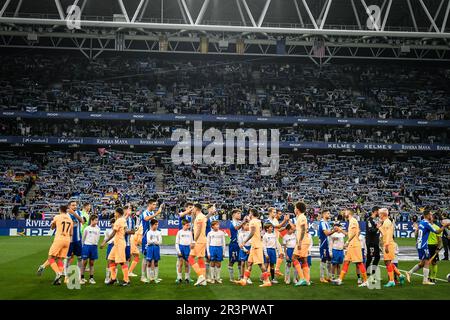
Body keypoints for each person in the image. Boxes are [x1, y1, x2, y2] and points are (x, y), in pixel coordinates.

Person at [405, 210, 449, 285]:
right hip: (423, 245)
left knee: (422, 263)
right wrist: (444, 226)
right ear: (427, 215)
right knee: (427, 262)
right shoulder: (427, 223)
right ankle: (425, 280)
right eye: (431, 215)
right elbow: (437, 231)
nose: (432, 216)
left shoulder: (421, 222)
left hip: (419, 244)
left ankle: (409, 273)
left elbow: (417, 233)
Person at [236, 209, 272, 287]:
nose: (249, 214)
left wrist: (244, 242)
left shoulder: (252, 221)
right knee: (249, 263)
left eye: (249, 213)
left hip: (256, 245)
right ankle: (244, 280)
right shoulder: (258, 221)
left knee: (260, 264)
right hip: (255, 244)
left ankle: (267, 281)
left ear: (251, 213)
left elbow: (252, 233)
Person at [332, 209, 368, 287]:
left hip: (354, 245)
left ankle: (365, 281)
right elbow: (350, 234)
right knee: (346, 261)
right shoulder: (351, 221)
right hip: (352, 245)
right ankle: (340, 279)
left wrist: (347, 242)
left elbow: (355, 233)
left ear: (349, 213)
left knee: (359, 262)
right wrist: (341, 230)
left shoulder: (353, 220)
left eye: (345, 211)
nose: (344, 212)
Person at [101, 207, 130, 286]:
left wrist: (104, 241)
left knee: (121, 262)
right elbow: (126, 229)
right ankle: (113, 278)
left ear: (118, 213)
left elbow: (113, 233)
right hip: (117, 243)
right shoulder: (123, 219)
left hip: (119, 243)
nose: (114, 213)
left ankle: (126, 280)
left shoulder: (118, 221)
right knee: (110, 259)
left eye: (115, 212)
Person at [45, 205, 73, 285]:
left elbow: (52, 227)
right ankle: (58, 280)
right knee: (60, 259)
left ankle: (58, 273)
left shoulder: (57, 217)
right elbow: (71, 233)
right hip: (67, 240)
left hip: (59, 239)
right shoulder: (70, 219)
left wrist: (53, 224)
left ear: (60, 210)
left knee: (50, 258)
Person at [377, 208, 405, 287]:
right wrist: (379, 227)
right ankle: (400, 275)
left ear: (383, 214)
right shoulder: (386, 222)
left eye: (380, 214)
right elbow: (385, 234)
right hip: (387, 243)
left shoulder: (387, 222)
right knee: (388, 262)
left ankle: (392, 280)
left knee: (388, 262)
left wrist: (386, 245)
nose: (379, 215)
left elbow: (388, 235)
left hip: (388, 244)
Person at [140, 199, 164, 283]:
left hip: (152, 236)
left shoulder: (151, 213)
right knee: (146, 258)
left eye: (155, 205)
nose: (155, 206)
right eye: (153, 204)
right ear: (149, 204)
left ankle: (152, 276)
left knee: (153, 258)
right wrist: (157, 213)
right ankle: (143, 276)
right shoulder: (145, 212)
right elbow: (146, 219)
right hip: (146, 237)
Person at [292, 201, 311, 286]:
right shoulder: (300, 217)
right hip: (304, 241)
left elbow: (303, 230)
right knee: (303, 259)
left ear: (298, 209)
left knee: (294, 258)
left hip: (302, 241)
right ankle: (307, 280)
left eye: (295, 208)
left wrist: (299, 242)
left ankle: (302, 278)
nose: (294, 209)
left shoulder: (302, 217)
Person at [64, 201, 84, 283]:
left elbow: (82, 221)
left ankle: (79, 277)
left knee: (79, 258)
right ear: (69, 206)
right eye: (73, 205)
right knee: (67, 258)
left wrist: (74, 214)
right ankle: (66, 276)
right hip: (69, 241)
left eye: (76, 205)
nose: (75, 206)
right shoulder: (66, 214)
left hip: (78, 240)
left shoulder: (79, 212)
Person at [189, 203, 208, 286]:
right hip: (202, 240)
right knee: (200, 259)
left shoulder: (200, 217)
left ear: (196, 209)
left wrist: (194, 241)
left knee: (190, 258)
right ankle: (203, 280)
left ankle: (200, 276)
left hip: (199, 241)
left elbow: (199, 230)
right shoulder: (201, 216)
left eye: (193, 208)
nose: (192, 210)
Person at [266, 208, 289, 277]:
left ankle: (276, 270)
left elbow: (278, 229)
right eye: (274, 212)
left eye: (275, 212)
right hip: (270, 241)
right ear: (270, 213)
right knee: (270, 258)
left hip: (275, 240)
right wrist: (285, 220)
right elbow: (277, 226)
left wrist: (285, 227)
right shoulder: (268, 221)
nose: (275, 214)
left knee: (281, 254)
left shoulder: (275, 220)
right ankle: (268, 273)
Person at [80, 214, 100, 284]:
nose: (97, 222)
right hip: (87, 246)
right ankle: (82, 278)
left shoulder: (98, 228)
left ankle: (91, 278)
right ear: (91, 220)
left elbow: (98, 238)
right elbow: (83, 238)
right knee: (84, 263)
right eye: (95, 220)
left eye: (97, 220)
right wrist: (83, 246)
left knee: (92, 263)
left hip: (94, 247)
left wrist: (96, 244)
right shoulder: (87, 228)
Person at [318, 209, 336, 283]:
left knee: (329, 260)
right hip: (324, 243)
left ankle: (328, 277)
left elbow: (329, 233)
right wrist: (334, 230)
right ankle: (322, 277)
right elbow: (326, 233)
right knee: (323, 260)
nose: (329, 215)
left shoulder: (327, 223)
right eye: (328, 213)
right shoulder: (322, 223)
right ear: (324, 214)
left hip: (328, 244)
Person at [228, 209, 244, 282]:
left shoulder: (240, 222)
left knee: (240, 260)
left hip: (240, 244)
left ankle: (240, 277)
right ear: (233, 215)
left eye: (240, 213)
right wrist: (244, 221)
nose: (240, 215)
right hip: (234, 244)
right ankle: (231, 277)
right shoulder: (231, 222)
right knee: (232, 260)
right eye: (238, 213)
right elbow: (236, 228)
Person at [176, 219, 193, 284]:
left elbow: (191, 242)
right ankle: (179, 278)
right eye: (186, 225)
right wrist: (178, 251)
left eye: (188, 225)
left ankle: (187, 278)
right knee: (180, 264)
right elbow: (177, 243)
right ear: (183, 225)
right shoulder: (179, 232)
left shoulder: (190, 233)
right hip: (181, 248)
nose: (188, 226)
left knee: (187, 264)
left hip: (187, 249)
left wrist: (191, 250)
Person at [146, 219, 163, 283]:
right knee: (149, 262)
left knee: (156, 262)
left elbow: (160, 242)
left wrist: (152, 241)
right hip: (150, 248)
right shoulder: (149, 232)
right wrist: (155, 241)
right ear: (152, 225)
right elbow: (148, 241)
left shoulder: (159, 232)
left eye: (157, 224)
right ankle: (149, 278)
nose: (157, 226)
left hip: (156, 248)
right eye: (155, 224)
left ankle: (155, 278)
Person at [427, 214, 442, 283]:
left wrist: (438, 248)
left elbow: (439, 239)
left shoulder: (437, 227)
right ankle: (429, 277)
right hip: (426, 246)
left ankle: (433, 277)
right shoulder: (426, 226)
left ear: (433, 219)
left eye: (431, 217)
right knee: (427, 263)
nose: (430, 218)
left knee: (434, 262)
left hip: (433, 246)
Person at [365, 206, 380, 273]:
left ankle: (372, 271)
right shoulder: (369, 220)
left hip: (375, 242)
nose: (379, 213)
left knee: (377, 257)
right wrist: (377, 227)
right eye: (378, 211)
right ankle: (366, 272)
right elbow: (371, 230)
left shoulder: (375, 220)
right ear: (375, 211)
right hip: (371, 242)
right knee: (370, 257)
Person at [104, 217, 115, 284]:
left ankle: (113, 277)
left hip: (116, 246)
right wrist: (110, 242)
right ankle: (107, 277)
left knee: (115, 263)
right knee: (109, 261)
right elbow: (106, 239)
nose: (113, 224)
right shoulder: (108, 230)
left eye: (114, 223)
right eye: (112, 223)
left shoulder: (118, 230)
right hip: (110, 246)